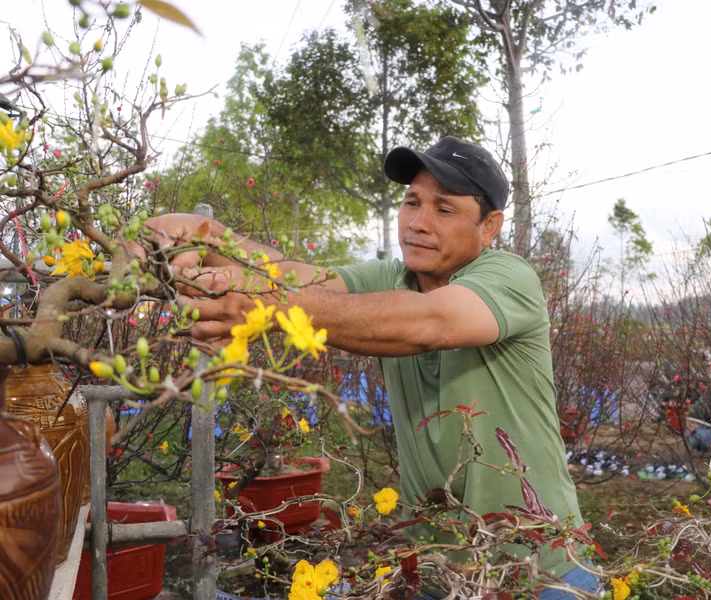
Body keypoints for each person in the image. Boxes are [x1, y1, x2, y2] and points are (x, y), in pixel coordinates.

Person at [143, 137, 595, 597]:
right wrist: (205, 233)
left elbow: (430, 322)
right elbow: (292, 275)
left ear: (489, 226)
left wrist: (267, 305)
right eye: (411, 202)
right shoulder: (390, 280)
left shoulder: (509, 277)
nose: (417, 223)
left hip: (543, 574)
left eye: (444, 210)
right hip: (438, 576)